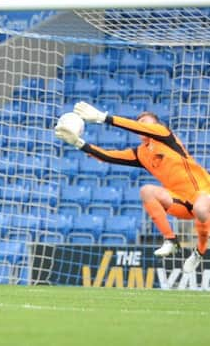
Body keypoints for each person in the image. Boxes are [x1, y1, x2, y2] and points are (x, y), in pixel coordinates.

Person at [55, 101, 210, 274]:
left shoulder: (164, 135)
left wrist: (102, 117)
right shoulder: (141, 153)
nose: (142, 125)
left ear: (156, 125)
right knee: (147, 191)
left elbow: (134, 127)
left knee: (201, 209)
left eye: (146, 122)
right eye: (140, 122)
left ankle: (200, 252)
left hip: (203, 191)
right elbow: (108, 156)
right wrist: (79, 143)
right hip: (179, 202)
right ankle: (171, 241)